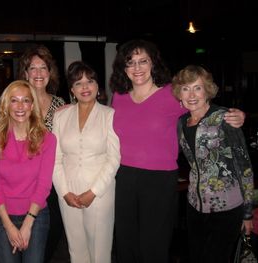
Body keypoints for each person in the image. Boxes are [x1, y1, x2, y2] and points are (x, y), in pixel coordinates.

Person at [109, 39, 246, 263]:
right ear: (123, 68)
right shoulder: (119, 97)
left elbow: (202, 106)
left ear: (153, 63)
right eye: (131, 62)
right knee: (126, 242)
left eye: (143, 61)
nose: (137, 68)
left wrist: (236, 114)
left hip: (159, 179)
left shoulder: (171, 95)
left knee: (152, 245)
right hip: (123, 176)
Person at [172, 64, 254, 263]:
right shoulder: (182, 122)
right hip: (194, 206)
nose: (191, 94)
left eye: (197, 87)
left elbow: (244, 167)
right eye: (185, 88)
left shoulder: (225, 118)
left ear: (207, 90)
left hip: (227, 208)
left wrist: (248, 213)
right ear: (179, 94)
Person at [52, 61, 120, 263]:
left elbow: (114, 158)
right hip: (68, 192)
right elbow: (55, 159)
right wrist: (64, 192)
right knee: (76, 250)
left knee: (99, 252)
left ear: (98, 86)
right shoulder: (61, 116)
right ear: (72, 89)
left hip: (99, 192)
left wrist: (93, 192)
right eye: (78, 83)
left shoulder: (110, 115)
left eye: (90, 81)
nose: (85, 87)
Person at [0, 80, 57, 263]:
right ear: (6, 105)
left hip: (36, 216)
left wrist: (27, 223)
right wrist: (9, 226)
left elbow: (44, 185)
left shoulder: (47, 139)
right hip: (1, 217)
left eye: (25, 100)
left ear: (32, 105)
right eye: (14, 100)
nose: (20, 106)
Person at [18, 44, 66, 262]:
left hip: (53, 182)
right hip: (24, 183)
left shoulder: (60, 104)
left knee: (52, 234)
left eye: (43, 68)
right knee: (24, 238)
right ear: (26, 73)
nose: (38, 73)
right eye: (33, 68)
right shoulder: (17, 104)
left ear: (50, 72)